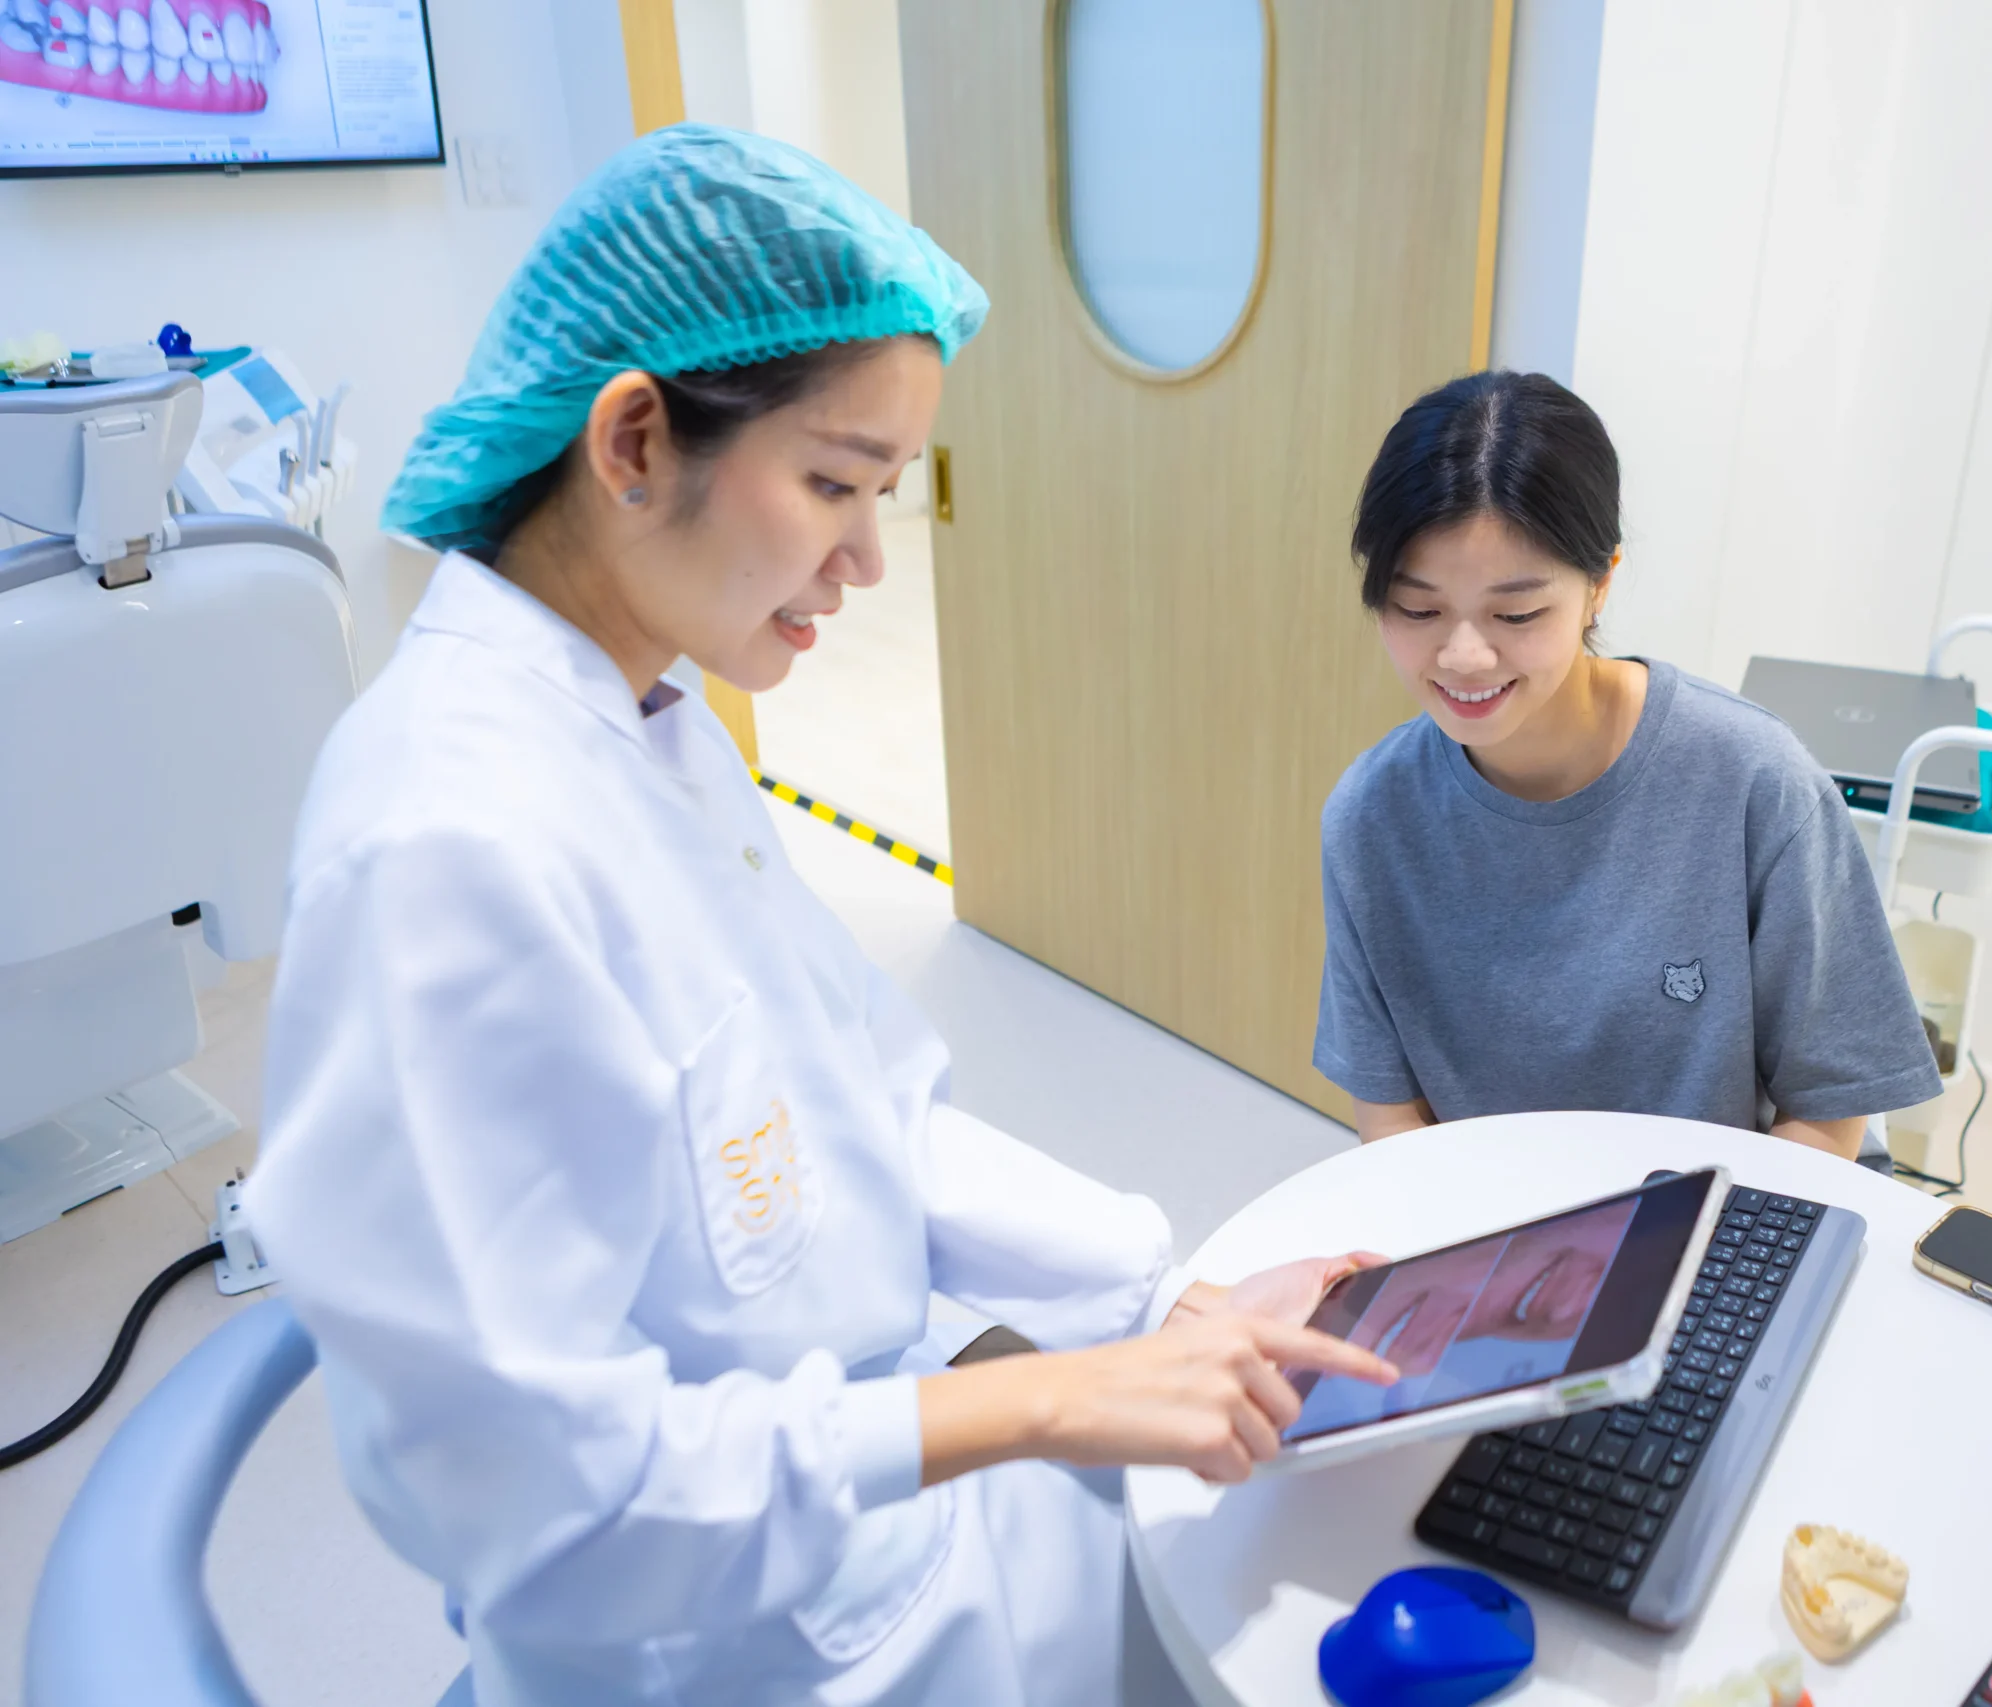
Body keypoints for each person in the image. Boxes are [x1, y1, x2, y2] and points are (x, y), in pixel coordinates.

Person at [243, 125, 1392, 1707]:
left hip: (873, 1495)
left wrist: (1162, 1304)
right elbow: (549, 1509)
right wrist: (1055, 1399)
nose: (864, 558)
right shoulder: (444, 845)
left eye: (884, 493)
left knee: (1311, 1549)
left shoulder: (649, 722)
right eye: (835, 484)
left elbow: (869, 1110)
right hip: (726, 1637)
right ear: (633, 440)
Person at [1313, 370, 1944, 1164]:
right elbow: (1393, 1130)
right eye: (1419, 609)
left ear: (1600, 584)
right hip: (1505, 1220)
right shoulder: (1371, 817)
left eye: (1516, 613)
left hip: (1742, 1211)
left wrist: (1713, 1245)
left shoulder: (1753, 781)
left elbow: (1829, 1109)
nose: (1464, 655)